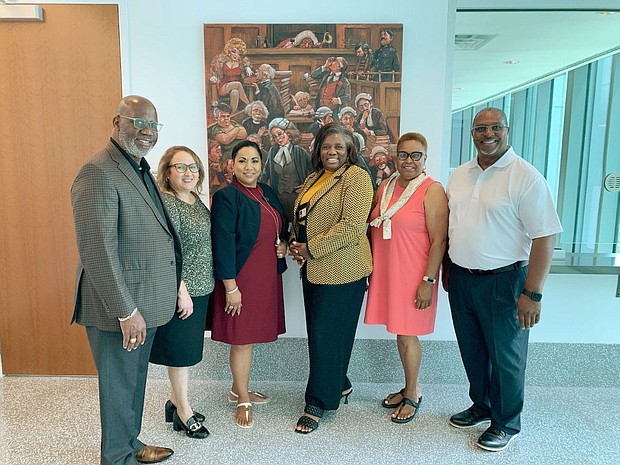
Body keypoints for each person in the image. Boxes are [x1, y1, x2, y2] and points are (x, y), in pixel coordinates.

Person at [71, 95, 181, 464]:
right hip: (118, 307)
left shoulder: (137, 167)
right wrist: (126, 310)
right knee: (118, 387)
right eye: (138, 122)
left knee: (131, 384)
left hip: (142, 300)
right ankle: (116, 458)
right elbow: (97, 250)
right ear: (116, 121)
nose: (147, 132)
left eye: (153, 125)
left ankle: (129, 444)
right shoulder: (98, 171)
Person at [445, 107, 562, 451]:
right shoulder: (460, 174)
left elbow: (545, 236)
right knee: (473, 350)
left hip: (505, 281)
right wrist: (450, 269)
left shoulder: (524, 176)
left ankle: (507, 422)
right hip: (463, 281)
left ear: (506, 131)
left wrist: (533, 293)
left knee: (506, 357)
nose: (487, 134)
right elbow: (455, 226)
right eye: (480, 128)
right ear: (471, 133)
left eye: (495, 127)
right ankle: (482, 406)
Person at [289, 123, 374, 434]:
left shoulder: (356, 178)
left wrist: (312, 248)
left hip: (344, 269)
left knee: (326, 336)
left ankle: (317, 403)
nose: (332, 152)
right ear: (318, 149)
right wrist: (294, 243)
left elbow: (352, 226)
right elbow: (301, 216)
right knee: (324, 334)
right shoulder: (315, 178)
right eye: (327, 146)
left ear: (350, 150)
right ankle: (339, 382)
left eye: (339, 146)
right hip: (313, 269)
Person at [365, 132, 448, 424]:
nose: (409, 160)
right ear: (395, 156)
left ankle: (413, 393)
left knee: (407, 335)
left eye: (416, 155)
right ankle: (408, 387)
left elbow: (439, 241)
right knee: (400, 334)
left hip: (415, 276)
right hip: (389, 273)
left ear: (425, 159)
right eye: (403, 154)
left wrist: (428, 281)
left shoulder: (432, 190)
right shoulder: (386, 186)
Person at [210, 140, 289, 429]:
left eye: (254, 161)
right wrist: (231, 287)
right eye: (242, 161)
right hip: (241, 277)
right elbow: (223, 244)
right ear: (232, 165)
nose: (249, 167)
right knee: (242, 340)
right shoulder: (227, 196)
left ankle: (237, 387)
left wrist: (282, 244)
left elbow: (281, 225)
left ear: (261, 164)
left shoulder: (266, 192)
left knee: (250, 336)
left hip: (266, 276)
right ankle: (242, 396)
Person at [150, 146, 215, 440]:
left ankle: (174, 402)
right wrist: (181, 291)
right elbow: (166, 252)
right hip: (183, 290)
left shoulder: (194, 200)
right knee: (180, 355)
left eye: (193, 167)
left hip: (202, 288)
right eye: (180, 167)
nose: (188, 173)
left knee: (185, 351)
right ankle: (184, 412)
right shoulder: (166, 204)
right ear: (167, 171)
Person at [262, 117, 312, 222]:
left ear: (288, 133)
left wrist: (307, 184)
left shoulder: (299, 151)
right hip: (279, 198)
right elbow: (265, 174)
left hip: (296, 198)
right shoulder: (273, 152)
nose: (278, 139)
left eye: (280, 134)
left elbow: (315, 171)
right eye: (275, 137)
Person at [209, 38, 253, 113]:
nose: (236, 55)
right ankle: (249, 105)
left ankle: (232, 115)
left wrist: (247, 67)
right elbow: (214, 73)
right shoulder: (222, 62)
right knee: (238, 84)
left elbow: (248, 76)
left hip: (236, 88)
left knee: (235, 92)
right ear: (229, 52)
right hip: (224, 86)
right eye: (234, 52)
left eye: (238, 53)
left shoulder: (242, 64)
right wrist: (213, 77)